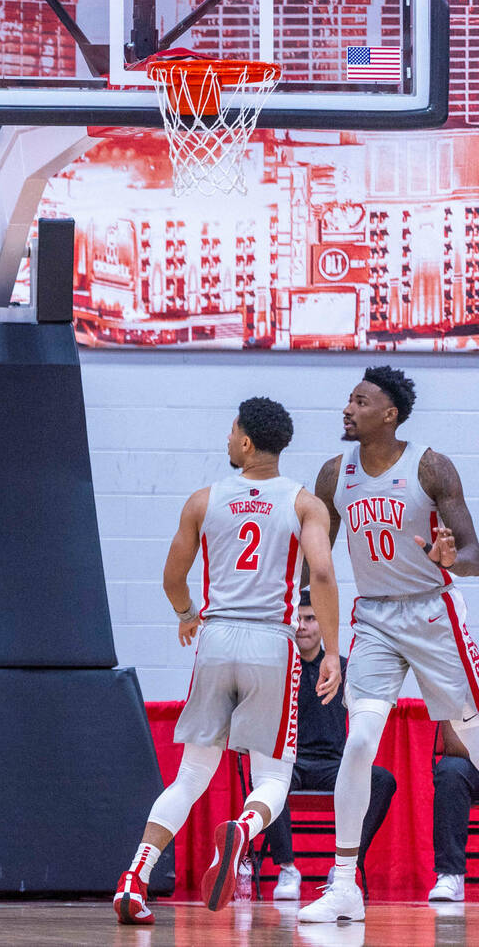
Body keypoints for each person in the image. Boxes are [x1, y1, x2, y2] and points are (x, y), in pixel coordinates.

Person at [113, 397, 341, 925]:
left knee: (191, 776)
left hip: (215, 639)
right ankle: (242, 828)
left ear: (244, 441)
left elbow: (171, 577)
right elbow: (323, 577)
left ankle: (135, 876)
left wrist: (187, 613)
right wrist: (330, 649)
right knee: (273, 780)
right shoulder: (305, 503)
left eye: (231, 429)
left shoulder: (203, 500)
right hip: (272, 643)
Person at [301, 366, 479, 923]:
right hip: (375, 619)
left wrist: (452, 560)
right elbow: (320, 568)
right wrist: (318, 637)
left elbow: (474, 552)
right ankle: (343, 882)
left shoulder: (430, 465)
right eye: (348, 399)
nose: (347, 409)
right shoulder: (335, 474)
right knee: (360, 744)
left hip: (432, 610)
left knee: (473, 737)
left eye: (360, 401)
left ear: (390, 414)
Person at [264, 591, 396, 900]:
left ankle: (345, 866)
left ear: (323, 624)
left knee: (382, 780)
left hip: (333, 767)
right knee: (267, 780)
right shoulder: (276, 670)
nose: (302, 626)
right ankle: (287, 868)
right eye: (298, 618)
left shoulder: (345, 669)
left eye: (310, 619)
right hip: (290, 762)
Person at [430, 720, 479, 901]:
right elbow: (452, 745)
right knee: (451, 770)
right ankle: (450, 873)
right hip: (469, 761)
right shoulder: (460, 690)